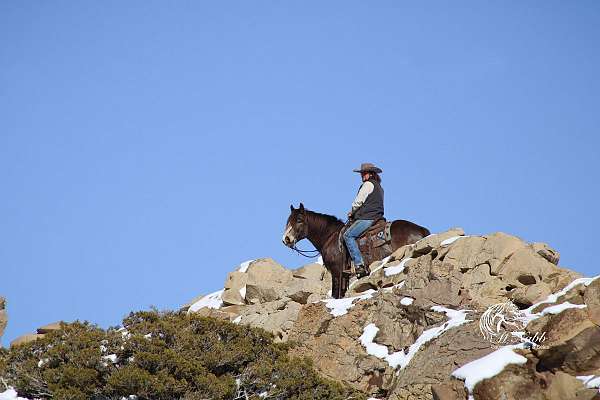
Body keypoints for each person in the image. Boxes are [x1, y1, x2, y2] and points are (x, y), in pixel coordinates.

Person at [343, 163, 384, 277]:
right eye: (362, 173)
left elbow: (358, 202)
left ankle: (359, 265)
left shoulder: (367, 185)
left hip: (368, 217)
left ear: (371, 173)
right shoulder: (379, 187)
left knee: (348, 235)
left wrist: (352, 211)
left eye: (364, 173)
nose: (362, 175)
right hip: (377, 217)